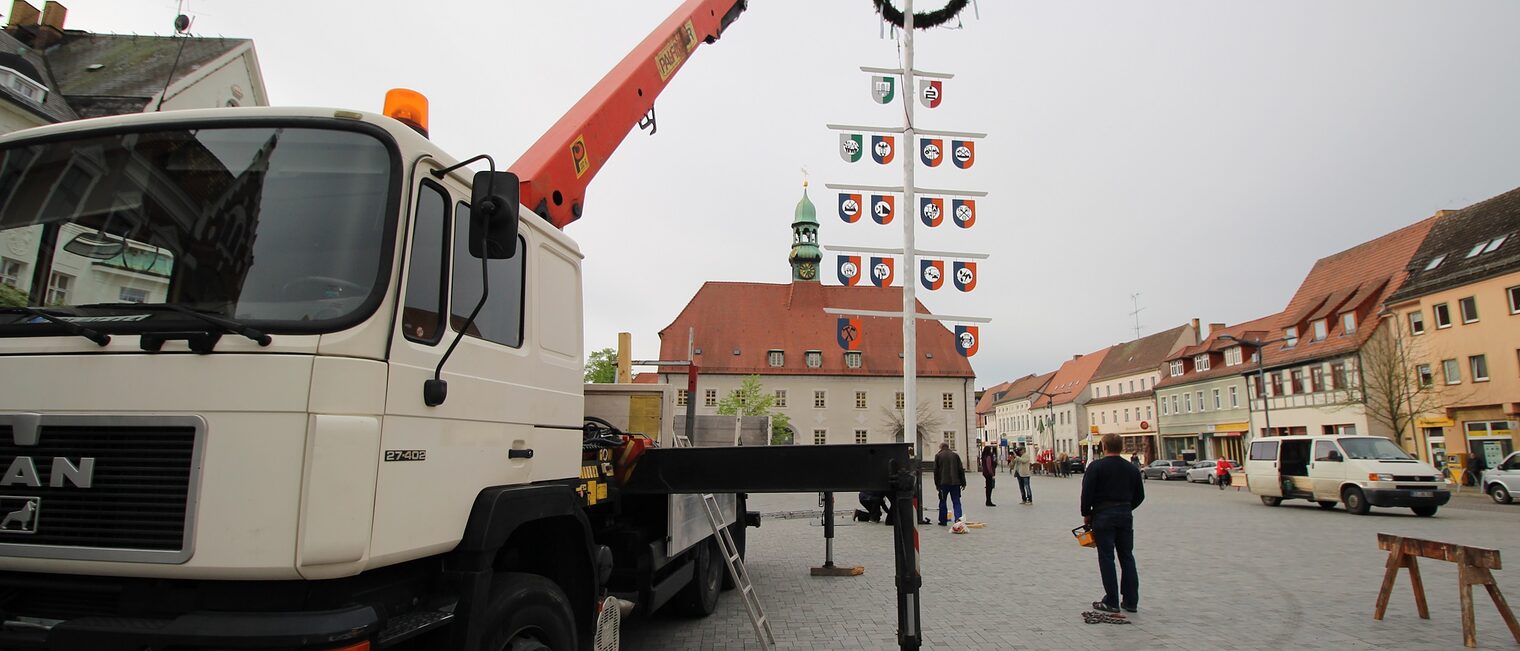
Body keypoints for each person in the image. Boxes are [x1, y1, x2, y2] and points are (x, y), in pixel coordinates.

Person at [1081, 433, 1144, 614]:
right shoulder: (1131, 468)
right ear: (1121, 447)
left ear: (1104, 447)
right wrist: (1127, 507)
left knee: (1107, 557)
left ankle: (1112, 600)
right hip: (1125, 515)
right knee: (1127, 557)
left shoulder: (1096, 467)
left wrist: (1087, 514)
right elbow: (1140, 495)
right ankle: (1131, 601)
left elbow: (1087, 493)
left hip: (1103, 515)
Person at [934, 442, 966, 526]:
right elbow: (960, 470)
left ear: (941, 447)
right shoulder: (955, 455)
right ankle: (958, 519)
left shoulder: (938, 456)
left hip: (943, 483)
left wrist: (937, 484)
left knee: (942, 501)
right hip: (955, 483)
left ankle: (943, 520)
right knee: (956, 501)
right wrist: (963, 482)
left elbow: (936, 472)